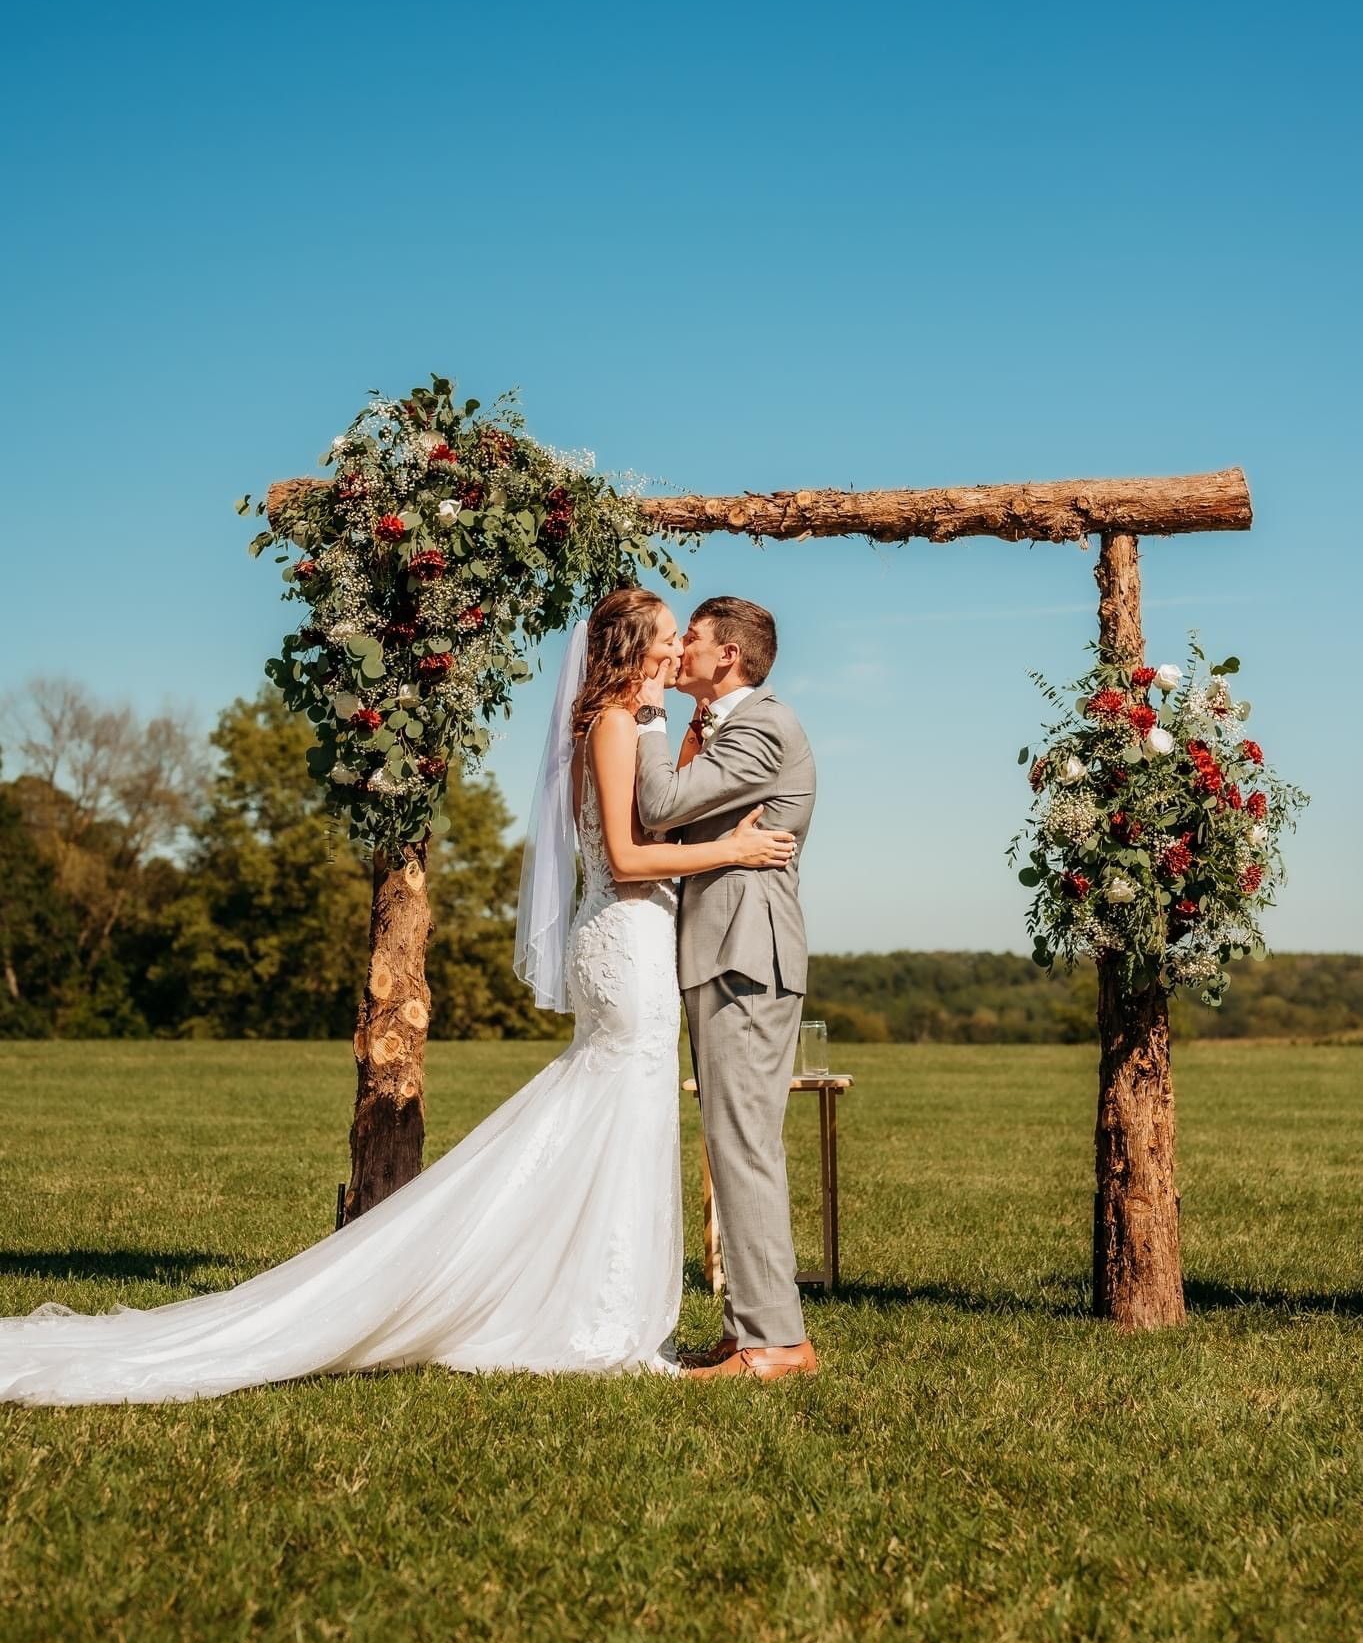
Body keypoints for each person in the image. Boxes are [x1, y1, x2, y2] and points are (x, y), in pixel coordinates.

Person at [0, 589, 794, 1405]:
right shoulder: (618, 726)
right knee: (618, 1117)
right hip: (626, 941)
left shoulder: (621, 725)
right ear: (633, 651)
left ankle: (590, 1300)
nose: (675, 651)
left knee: (611, 1121)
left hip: (626, 944)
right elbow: (627, 858)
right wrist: (729, 847)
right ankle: (594, 1313)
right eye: (666, 639)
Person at [635, 597, 818, 1381]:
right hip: (722, 952)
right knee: (730, 1146)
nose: (679, 652)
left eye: (694, 641)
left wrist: (644, 717)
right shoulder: (719, 727)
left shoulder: (762, 726)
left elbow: (661, 807)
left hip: (747, 957)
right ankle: (752, 1329)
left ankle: (776, 1345)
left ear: (729, 656)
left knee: (743, 1150)